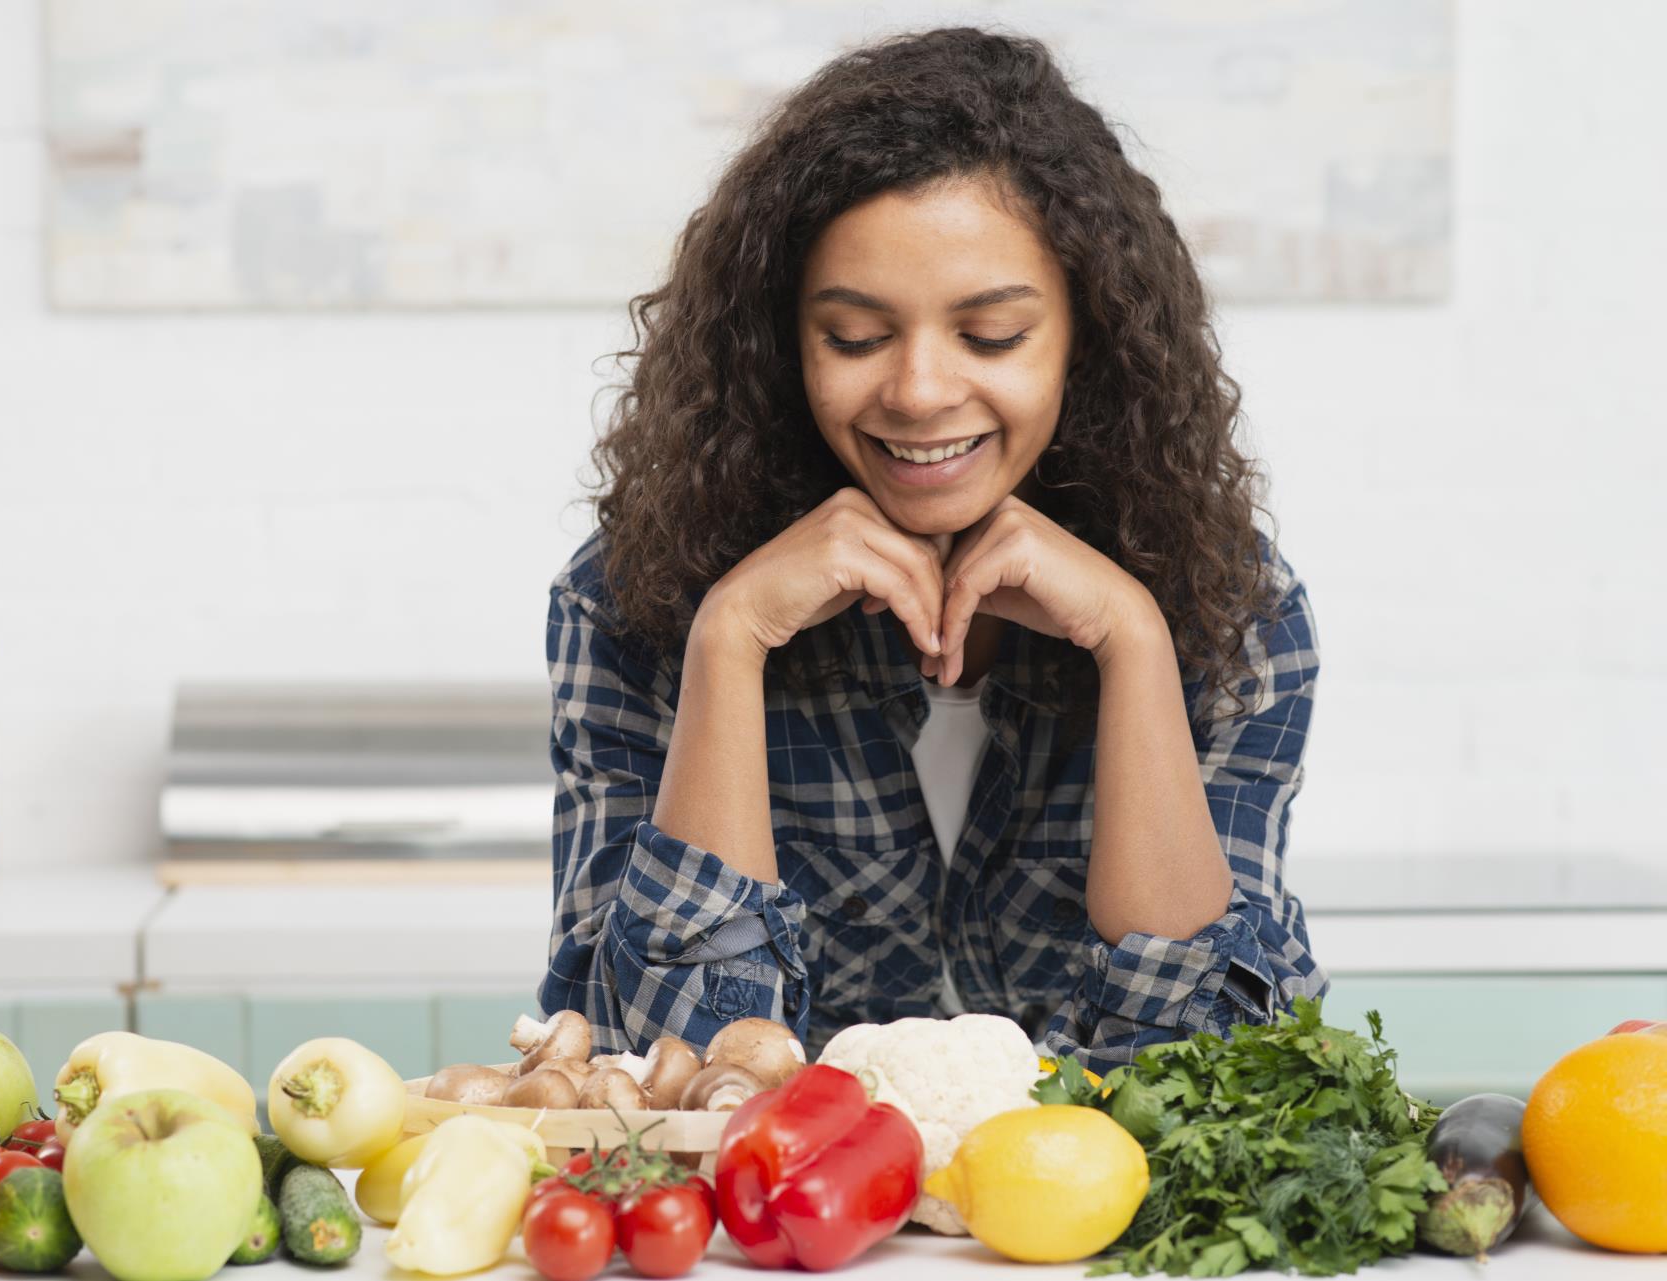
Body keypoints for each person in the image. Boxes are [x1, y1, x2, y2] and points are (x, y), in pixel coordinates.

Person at [540, 27, 1327, 1068]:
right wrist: (727, 641)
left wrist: (1133, 643)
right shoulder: (631, 598)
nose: (917, 392)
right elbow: (649, 1073)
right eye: (856, 338)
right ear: (785, 345)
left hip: (1069, 1232)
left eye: (991, 336)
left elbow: (1219, 1078)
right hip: (790, 1229)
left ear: (1085, 339)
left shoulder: (1236, 610)